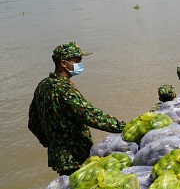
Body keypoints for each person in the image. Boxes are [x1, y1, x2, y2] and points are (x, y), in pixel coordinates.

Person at [28, 42, 125, 175]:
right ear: (63, 63)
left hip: (59, 159)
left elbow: (33, 123)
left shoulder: (43, 86)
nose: (80, 64)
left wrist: (52, 144)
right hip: (76, 157)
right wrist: (123, 127)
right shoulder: (65, 90)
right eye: (77, 60)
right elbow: (90, 116)